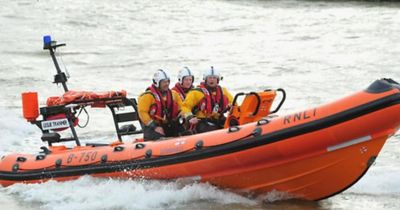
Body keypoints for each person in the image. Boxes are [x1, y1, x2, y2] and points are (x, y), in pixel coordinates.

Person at [181, 66, 233, 133]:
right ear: (205, 79)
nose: (212, 80)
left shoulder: (223, 91)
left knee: (233, 124)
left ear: (218, 79)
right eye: (210, 78)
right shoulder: (197, 92)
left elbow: (234, 104)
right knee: (212, 129)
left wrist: (230, 107)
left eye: (214, 78)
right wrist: (190, 118)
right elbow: (185, 106)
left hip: (218, 119)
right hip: (202, 121)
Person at [137, 69, 181, 140]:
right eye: (164, 82)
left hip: (168, 125)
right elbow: (142, 113)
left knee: (182, 130)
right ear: (157, 83)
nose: (167, 84)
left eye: (168, 81)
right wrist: (155, 127)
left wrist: (184, 116)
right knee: (158, 136)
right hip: (152, 127)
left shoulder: (174, 94)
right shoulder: (147, 96)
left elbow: (182, 107)